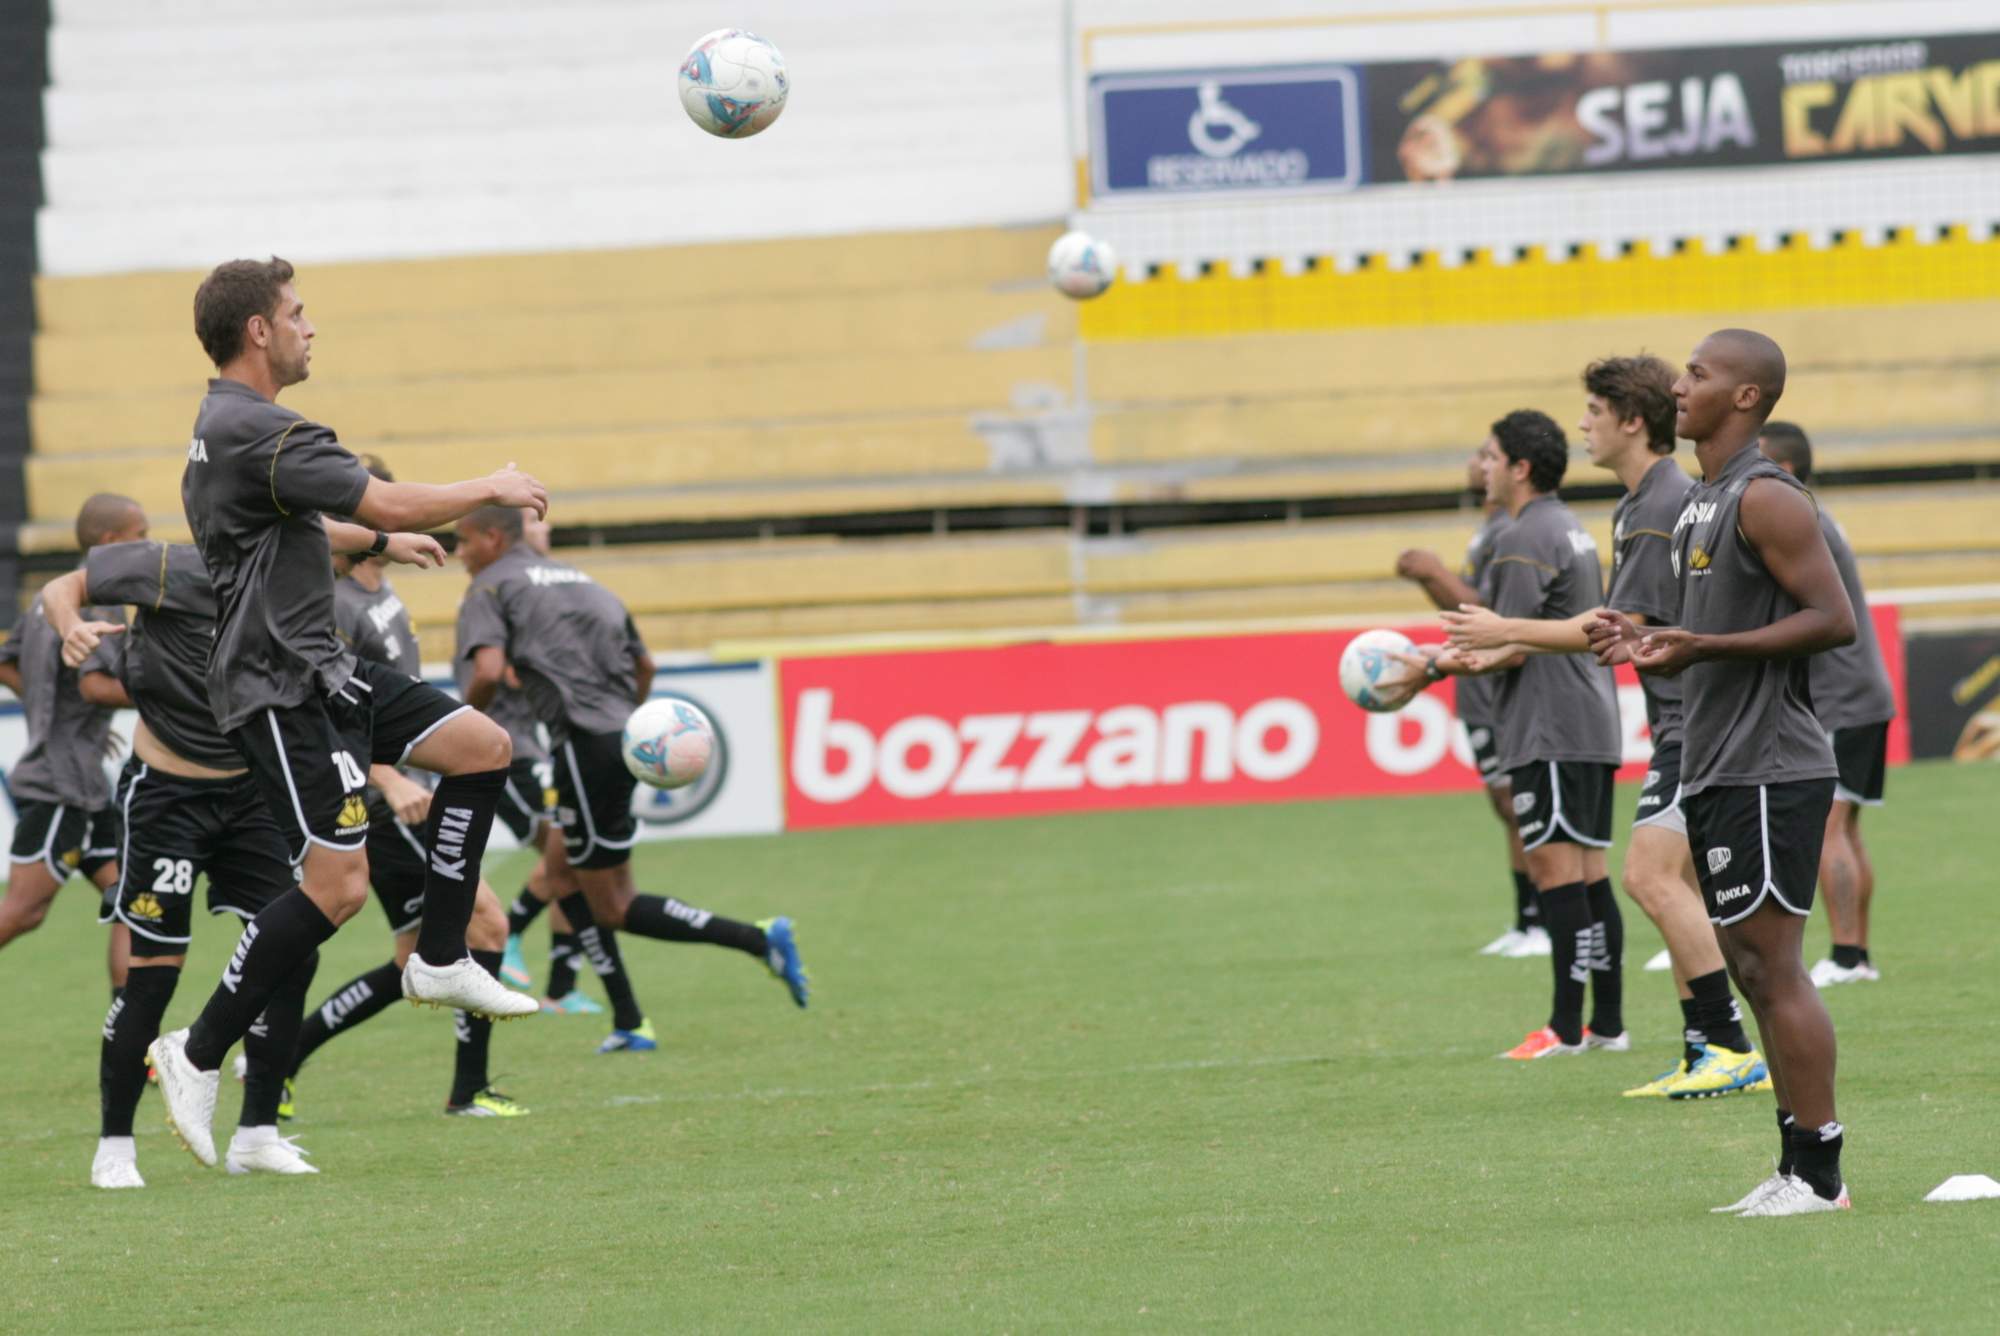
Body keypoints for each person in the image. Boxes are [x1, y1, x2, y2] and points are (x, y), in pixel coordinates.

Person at [150, 256, 544, 1170]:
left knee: (482, 746)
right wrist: (493, 485)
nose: (309, 326)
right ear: (259, 331)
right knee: (338, 888)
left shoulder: (224, 427)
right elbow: (386, 491)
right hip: (276, 687)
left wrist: (378, 539)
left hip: (323, 669)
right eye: (297, 313)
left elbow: (302, 521)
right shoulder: (266, 427)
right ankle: (196, 1049)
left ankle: (440, 958)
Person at [40, 518, 433, 1185]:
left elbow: (327, 526)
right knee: (154, 972)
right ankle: (115, 1145)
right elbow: (63, 584)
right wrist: (70, 623)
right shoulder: (169, 566)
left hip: (251, 794)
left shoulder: (291, 589)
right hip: (167, 796)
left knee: (291, 955)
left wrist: (388, 540)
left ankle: (257, 1133)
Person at [1442, 358, 1766, 1100]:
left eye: (1593, 409)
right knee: (1674, 881)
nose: (1582, 423)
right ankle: (1703, 1047)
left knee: (1646, 875)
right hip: (1684, 718)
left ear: (1630, 421)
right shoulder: (1636, 504)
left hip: (1701, 721)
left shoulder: (1658, 504)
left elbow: (1626, 626)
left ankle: (1727, 1041)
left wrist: (1502, 629)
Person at [1589, 329, 1857, 1215]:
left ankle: (1821, 1177)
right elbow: (1691, 631)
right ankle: (1791, 1166)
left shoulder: (1769, 498)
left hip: (1773, 763)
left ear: (1746, 396)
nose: (1680, 385)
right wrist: (1650, 641)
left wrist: (1706, 644)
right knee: (1747, 964)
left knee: (1776, 970)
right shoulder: (1703, 500)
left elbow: (1832, 618)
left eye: (1698, 375)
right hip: (1714, 761)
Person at [454, 504, 809, 1053]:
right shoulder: (590, 584)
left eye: (463, 542)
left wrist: (458, 732)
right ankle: (628, 1020)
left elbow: (487, 670)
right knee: (564, 873)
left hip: (580, 747)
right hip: (619, 743)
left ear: (493, 537)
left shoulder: (492, 587)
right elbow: (644, 667)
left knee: (613, 905)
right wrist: (626, 727)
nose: (460, 554)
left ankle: (758, 939)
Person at [284, 458, 526, 1118]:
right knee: (486, 924)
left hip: (412, 791)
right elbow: (332, 713)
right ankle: (466, 1091)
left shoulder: (378, 589)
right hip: (389, 799)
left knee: (408, 964)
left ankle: (279, 1060)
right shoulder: (335, 603)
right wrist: (389, 780)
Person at [1395, 411, 1626, 1059]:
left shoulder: (1524, 537)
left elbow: (1513, 643)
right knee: (1587, 871)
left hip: (1549, 724)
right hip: (1584, 718)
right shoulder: (1566, 526)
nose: (1483, 466)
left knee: (1557, 868)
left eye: (1492, 456)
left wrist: (1432, 666)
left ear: (1520, 468)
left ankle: (1565, 1026)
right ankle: (1605, 1022)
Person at [1757, 421, 1896, 987]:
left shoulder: (1800, 519)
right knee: (1849, 828)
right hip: (1862, 691)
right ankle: (1856, 953)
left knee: (1829, 827)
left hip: (1840, 697)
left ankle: (1845, 956)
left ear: (1784, 471)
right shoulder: (1817, 516)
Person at [1395, 449, 1544, 958]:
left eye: (1491, 453)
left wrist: (1432, 572)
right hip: (1478, 686)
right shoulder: (1489, 530)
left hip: (1500, 682)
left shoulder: (1511, 532)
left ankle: (1544, 920)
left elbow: (1487, 615)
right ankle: (1527, 920)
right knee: (1505, 806)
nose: (1479, 462)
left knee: (1518, 802)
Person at [0, 495, 146, 981]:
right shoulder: (99, 598)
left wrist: (55, 716)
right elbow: (94, 684)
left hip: (82, 780)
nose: (146, 545)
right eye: (139, 535)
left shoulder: (50, 595)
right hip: (59, 785)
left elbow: (7, 660)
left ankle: (127, 1030)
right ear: (110, 542)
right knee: (23, 911)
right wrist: (169, 696)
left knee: (134, 901)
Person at [489, 510, 601, 1014]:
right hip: (508, 750)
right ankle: (510, 934)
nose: (543, 534)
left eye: (547, 527)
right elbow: (502, 669)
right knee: (564, 855)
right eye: (533, 527)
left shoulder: (544, 591)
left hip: (540, 745)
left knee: (568, 861)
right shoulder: (501, 592)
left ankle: (560, 986)